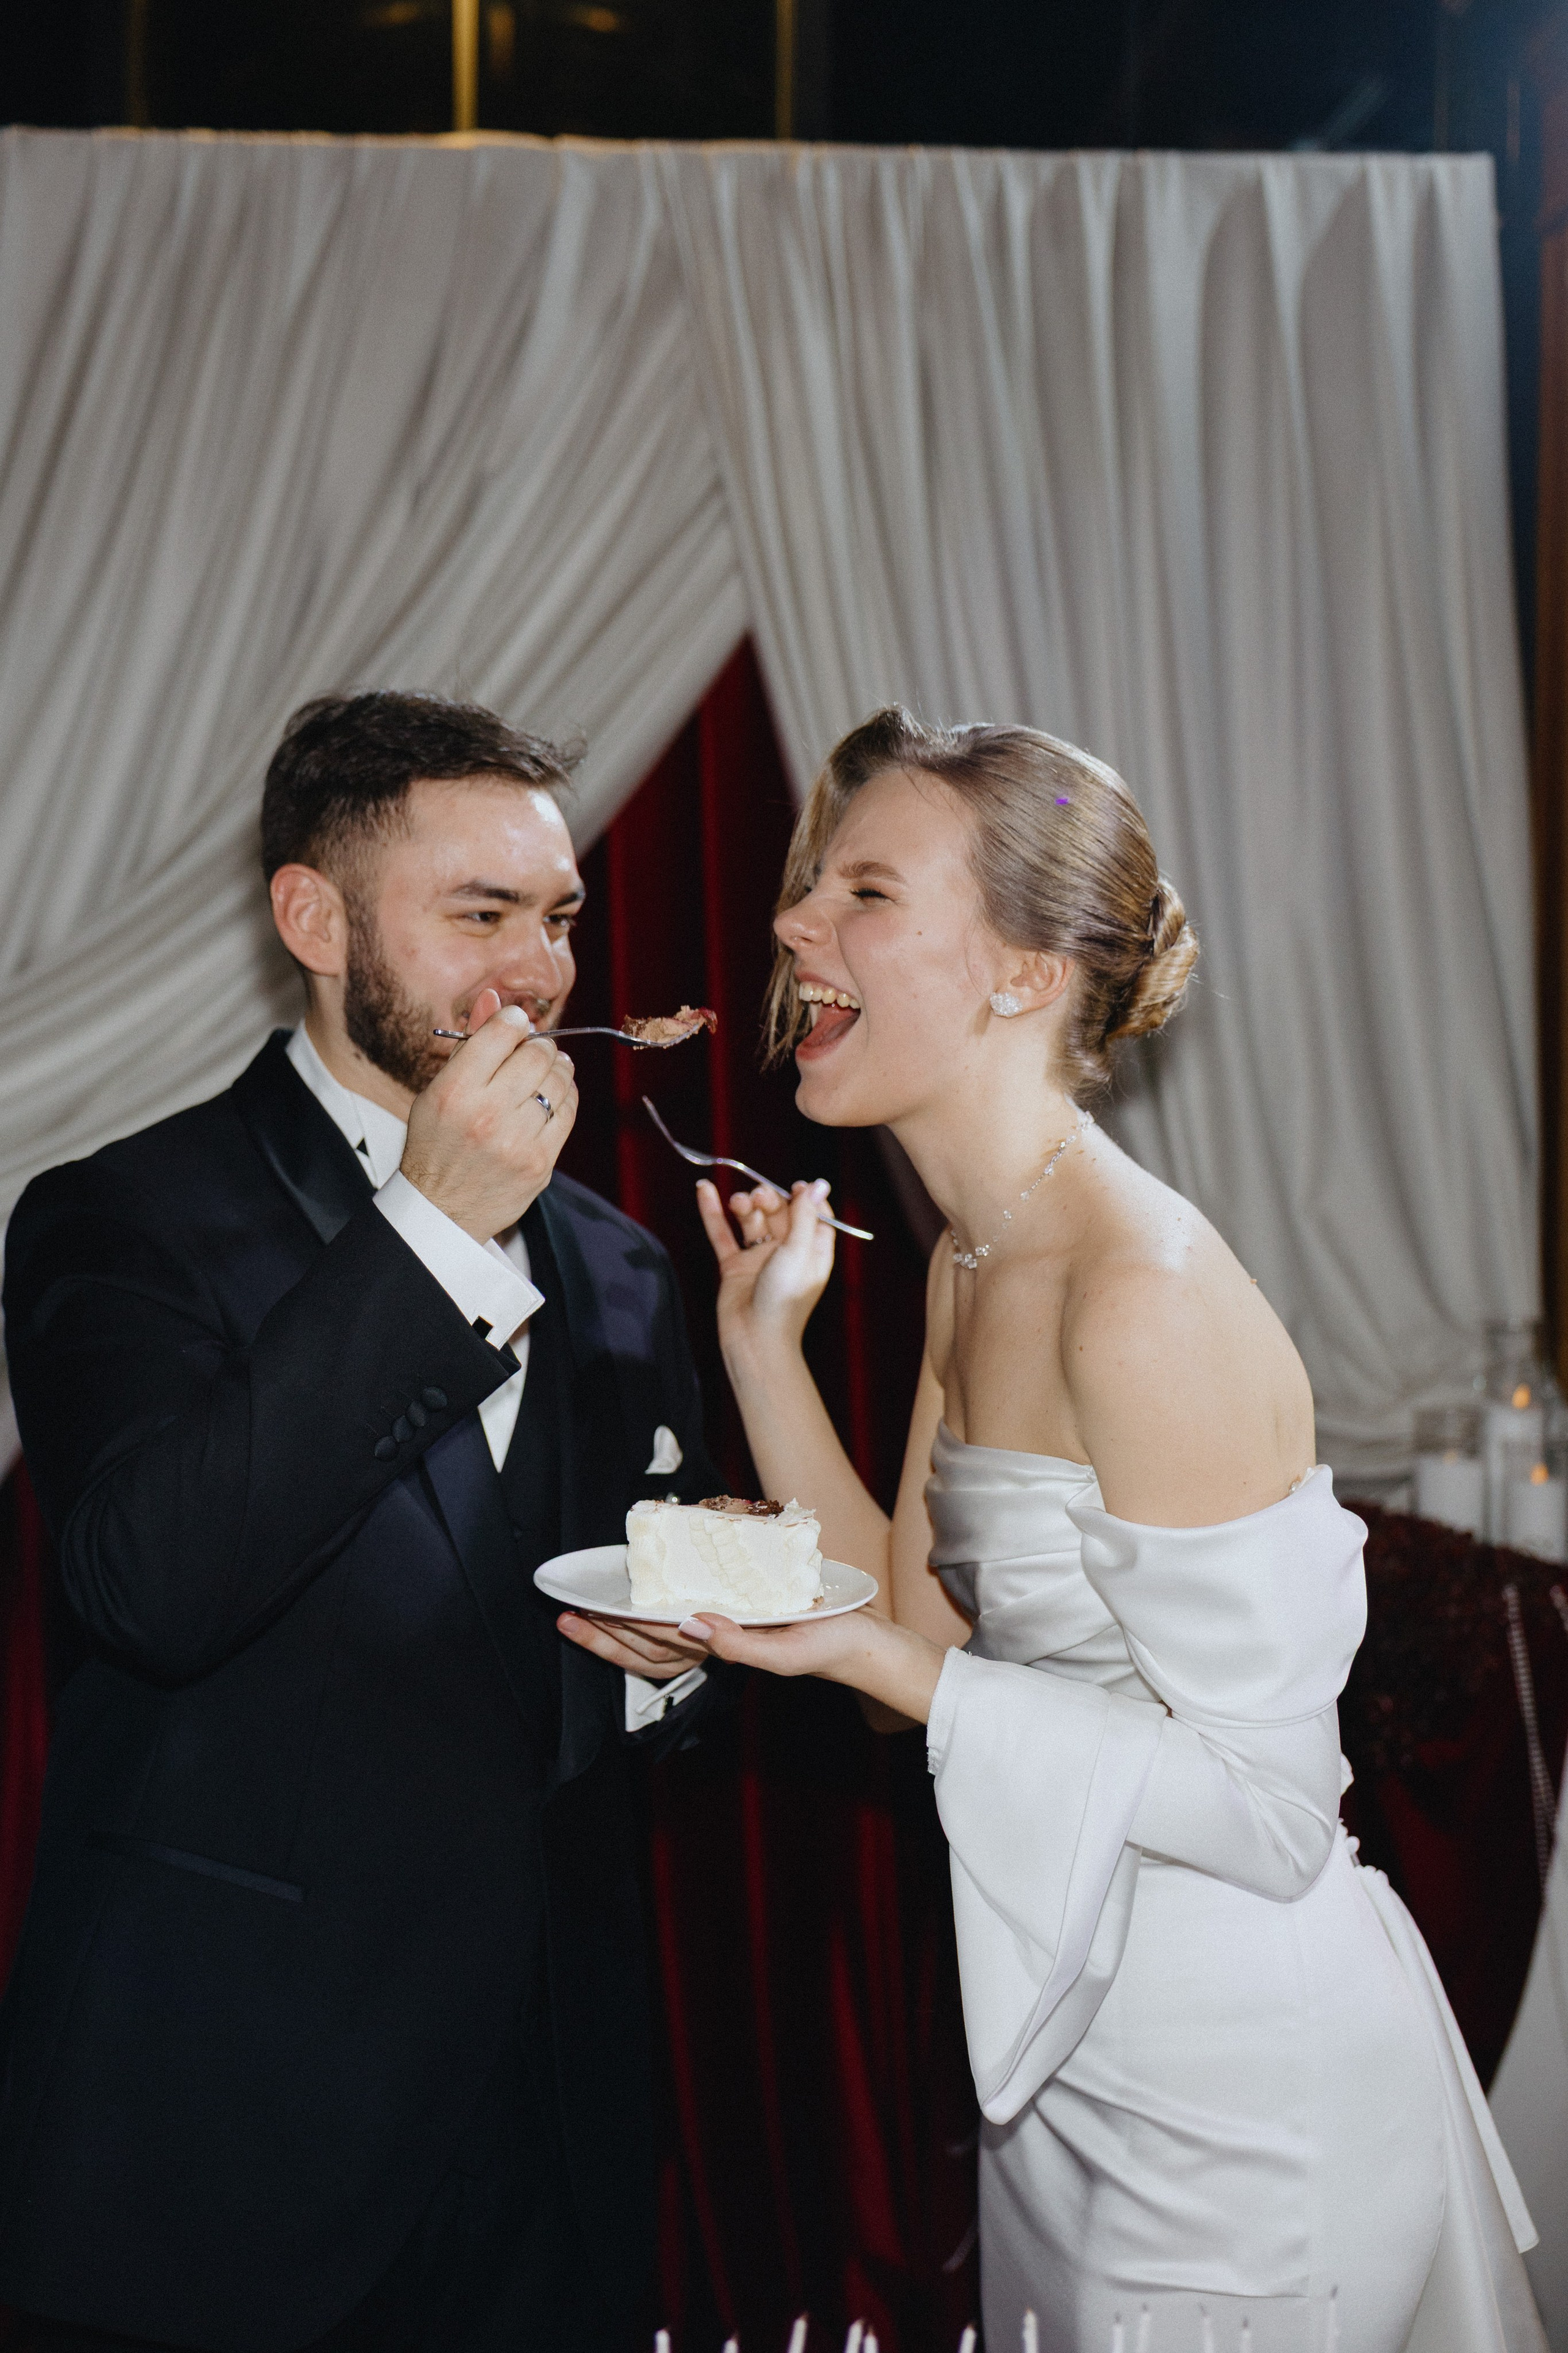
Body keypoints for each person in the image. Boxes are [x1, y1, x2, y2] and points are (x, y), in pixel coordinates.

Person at [565, 708, 1547, 2352]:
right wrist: (762, 1344)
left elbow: (1272, 1814)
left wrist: (888, 1656)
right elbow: (906, 1638)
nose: (795, 923)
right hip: (1075, 2074)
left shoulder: (1137, 1294)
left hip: (1244, 2106)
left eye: (861, 888)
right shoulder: (980, 1250)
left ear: (1022, 969)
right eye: (811, 880)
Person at [0, 691, 718, 2353]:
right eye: (481, 914)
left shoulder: (622, 1265)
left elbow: (631, 1664)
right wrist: (431, 1237)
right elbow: (151, 1583)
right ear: (313, 918)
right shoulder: (122, 1220)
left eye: (558, 920)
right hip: (220, 2152)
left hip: (546, 2168)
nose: (539, 972)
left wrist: (674, 1668)